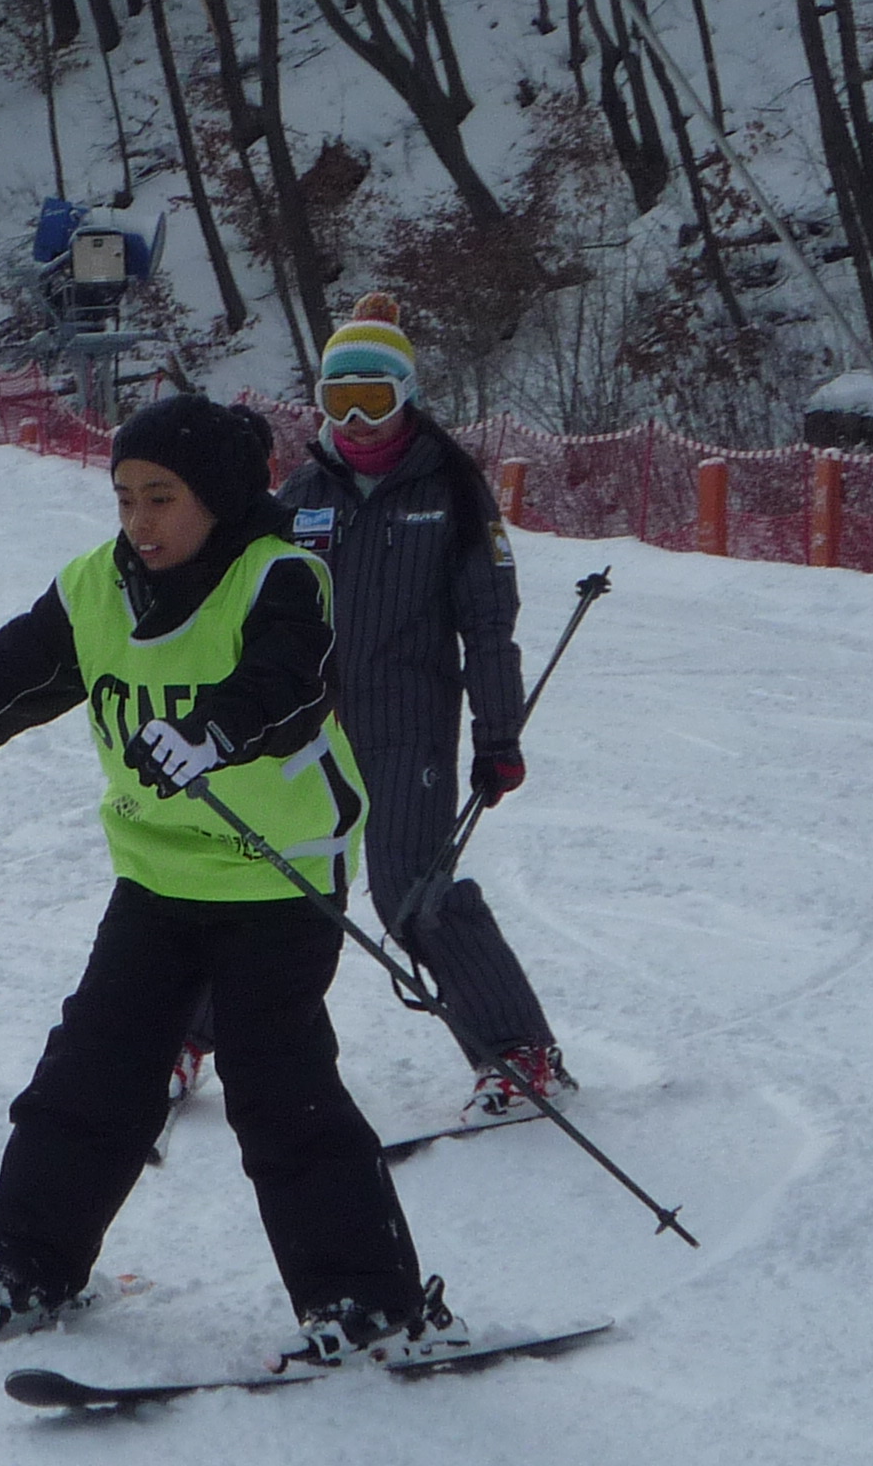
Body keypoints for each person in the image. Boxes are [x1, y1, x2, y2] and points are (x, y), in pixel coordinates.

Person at [0, 393, 467, 1368]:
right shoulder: (95, 588)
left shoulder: (279, 575)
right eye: (123, 498)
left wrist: (210, 729)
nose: (137, 521)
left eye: (161, 498)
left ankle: (368, 1300)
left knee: (276, 1086)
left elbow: (286, 686)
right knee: (92, 1072)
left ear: (216, 496)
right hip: (158, 876)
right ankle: (29, 1266)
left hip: (276, 879)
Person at [266, 291, 575, 1124]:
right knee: (267, 881)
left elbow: (488, 623)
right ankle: (189, 1038)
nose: (360, 421)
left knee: (409, 889)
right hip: (307, 727)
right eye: (341, 401)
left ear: (408, 396)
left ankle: (516, 1050)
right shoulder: (299, 494)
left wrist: (499, 733)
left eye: (378, 398)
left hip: (409, 725)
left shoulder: (451, 490)